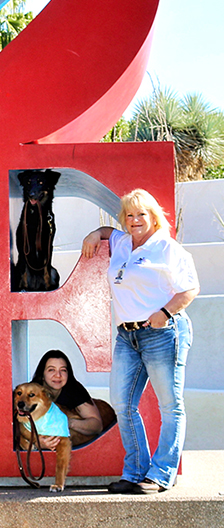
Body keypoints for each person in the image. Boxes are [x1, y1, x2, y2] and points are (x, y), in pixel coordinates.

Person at [81, 188, 199, 495]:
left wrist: (165, 311)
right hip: (127, 336)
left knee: (170, 405)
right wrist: (96, 233)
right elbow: (109, 231)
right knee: (122, 403)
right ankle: (134, 472)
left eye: (141, 214)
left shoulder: (167, 248)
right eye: (129, 215)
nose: (135, 220)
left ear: (153, 217)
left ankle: (161, 474)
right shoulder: (120, 242)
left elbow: (190, 288)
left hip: (162, 333)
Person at [31, 349, 104, 450]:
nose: (58, 375)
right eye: (51, 370)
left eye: (63, 370)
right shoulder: (31, 392)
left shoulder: (74, 389)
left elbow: (97, 425)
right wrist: (37, 443)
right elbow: (20, 427)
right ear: (42, 374)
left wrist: (67, 422)